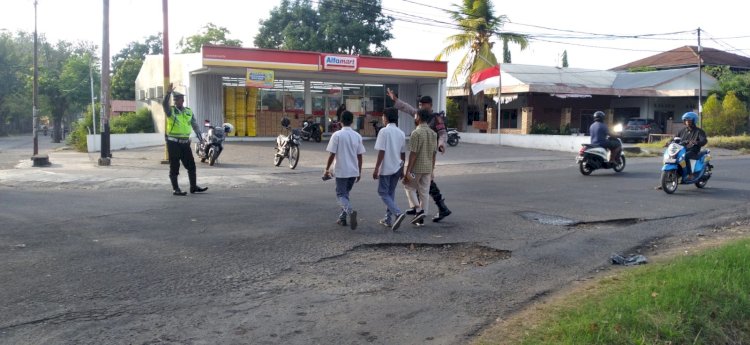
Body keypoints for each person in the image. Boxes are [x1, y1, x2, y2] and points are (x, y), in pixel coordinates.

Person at [386, 89, 452, 222]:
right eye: (420, 105)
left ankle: (436, 208)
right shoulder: (419, 114)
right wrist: (395, 99)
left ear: (430, 105)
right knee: (422, 182)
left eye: (424, 105)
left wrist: (441, 144)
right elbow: (407, 108)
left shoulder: (436, 117)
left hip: (428, 153)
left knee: (423, 183)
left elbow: (443, 133)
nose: (421, 107)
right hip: (421, 153)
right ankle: (419, 208)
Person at [162, 83, 207, 196]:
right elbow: (164, 104)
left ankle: (193, 187)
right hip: (173, 143)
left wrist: (201, 138)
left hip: (185, 143)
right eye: (175, 99)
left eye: (179, 99)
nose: (177, 101)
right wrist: (168, 93)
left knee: (191, 165)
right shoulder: (170, 111)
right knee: (174, 166)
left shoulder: (188, 111)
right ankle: (176, 189)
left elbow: (195, 125)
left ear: (182, 100)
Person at [323, 110, 366, 230]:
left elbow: (332, 154)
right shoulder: (357, 136)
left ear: (340, 121)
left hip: (342, 171)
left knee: (341, 195)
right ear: (352, 121)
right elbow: (360, 156)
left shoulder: (337, 135)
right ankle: (342, 218)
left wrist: (327, 169)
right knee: (345, 194)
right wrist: (359, 171)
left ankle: (350, 211)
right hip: (353, 171)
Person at [372, 107, 407, 231]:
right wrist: (402, 169)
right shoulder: (401, 132)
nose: (382, 118)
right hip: (397, 167)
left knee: (382, 192)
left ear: (386, 118)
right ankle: (388, 219)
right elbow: (403, 153)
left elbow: (382, 151)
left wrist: (376, 168)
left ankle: (397, 213)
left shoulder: (383, 131)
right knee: (390, 193)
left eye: (383, 116)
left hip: (386, 167)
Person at [403, 109, 437, 227]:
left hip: (416, 168)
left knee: (409, 187)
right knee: (424, 192)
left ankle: (418, 210)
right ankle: (422, 217)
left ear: (419, 117)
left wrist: (408, 171)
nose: (415, 117)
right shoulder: (433, 133)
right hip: (428, 167)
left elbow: (413, 153)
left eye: (415, 115)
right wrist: (432, 170)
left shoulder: (416, 133)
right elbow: (434, 154)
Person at [676, 111, 708, 179]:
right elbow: (675, 138)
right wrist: (669, 142)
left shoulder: (699, 131)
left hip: (693, 151)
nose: (687, 121)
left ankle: (690, 174)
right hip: (682, 150)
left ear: (694, 120)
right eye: (686, 120)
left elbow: (704, 141)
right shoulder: (682, 131)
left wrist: (696, 142)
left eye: (689, 120)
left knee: (685, 156)